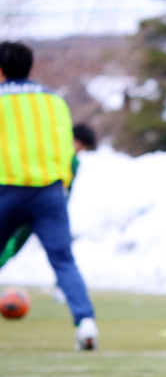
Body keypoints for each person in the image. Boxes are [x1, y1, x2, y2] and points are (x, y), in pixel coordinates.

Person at [0, 41, 99, 350]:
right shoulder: (54, 100)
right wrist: (62, 183)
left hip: (6, 189)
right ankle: (85, 324)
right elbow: (65, 149)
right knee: (63, 260)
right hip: (48, 192)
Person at [0, 123, 97, 275]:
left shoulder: (74, 162)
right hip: (23, 202)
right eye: (81, 146)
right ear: (75, 140)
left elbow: (66, 191)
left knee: (16, 249)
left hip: (45, 211)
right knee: (8, 246)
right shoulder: (51, 151)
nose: (80, 151)